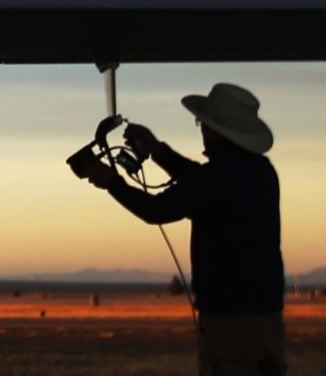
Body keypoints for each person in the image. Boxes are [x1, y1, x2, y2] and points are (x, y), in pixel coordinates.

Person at [84, 82, 284, 376]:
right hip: (265, 313)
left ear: (216, 130)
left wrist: (111, 183)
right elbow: (200, 181)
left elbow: (157, 210)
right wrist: (158, 151)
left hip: (229, 317)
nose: (201, 129)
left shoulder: (215, 179)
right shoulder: (261, 171)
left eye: (203, 123)